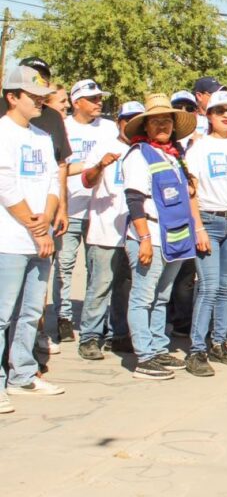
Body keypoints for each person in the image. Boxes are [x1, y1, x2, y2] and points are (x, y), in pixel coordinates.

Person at [123, 94, 200, 380]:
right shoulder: (138, 154)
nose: (162, 125)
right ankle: (144, 356)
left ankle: (157, 346)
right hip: (151, 235)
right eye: (155, 121)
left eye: (166, 120)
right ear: (146, 126)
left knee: (161, 296)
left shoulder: (174, 154)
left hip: (175, 236)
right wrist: (143, 238)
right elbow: (134, 199)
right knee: (143, 296)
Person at [0, 64, 62, 409]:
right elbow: (5, 185)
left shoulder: (42, 136)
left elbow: (53, 181)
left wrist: (47, 220)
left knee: (29, 312)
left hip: (42, 239)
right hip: (10, 239)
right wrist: (34, 226)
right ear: (13, 97)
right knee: (2, 313)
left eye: (43, 96)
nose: (40, 102)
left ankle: (22, 374)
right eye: (33, 96)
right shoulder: (3, 133)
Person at [183, 90, 227, 376]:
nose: (226, 115)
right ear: (209, 116)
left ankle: (219, 341)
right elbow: (192, 191)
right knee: (209, 286)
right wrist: (198, 226)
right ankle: (196, 349)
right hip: (209, 221)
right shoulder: (199, 149)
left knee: (226, 286)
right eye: (219, 110)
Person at [52, 79, 118, 345]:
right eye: (92, 99)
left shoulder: (110, 128)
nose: (98, 102)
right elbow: (57, 166)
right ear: (76, 101)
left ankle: (96, 320)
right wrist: (89, 165)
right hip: (69, 208)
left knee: (98, 270)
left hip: (100, 210)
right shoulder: (62, 127)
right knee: (64, 266)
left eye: (100, 98)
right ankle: (63, 317)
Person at [76, 100, 143, 359]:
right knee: (100, 285)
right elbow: (86, 179)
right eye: (128, 120)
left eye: (138, 120)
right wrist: (100, 165)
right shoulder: (105, 146)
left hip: (133, 231)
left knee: (125, 287)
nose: (132, 125)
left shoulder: (143, 150)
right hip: (105, 230)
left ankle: (120, 334)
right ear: (119, 122)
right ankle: (90, 337)